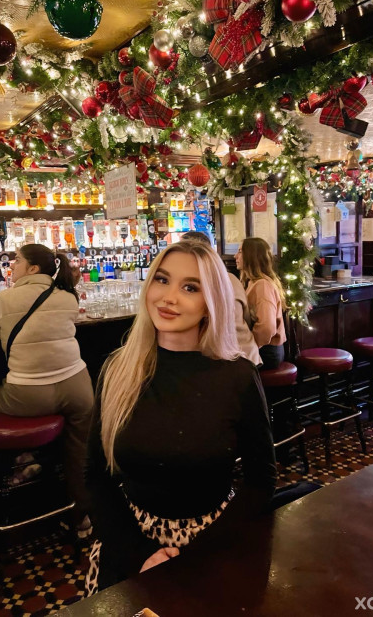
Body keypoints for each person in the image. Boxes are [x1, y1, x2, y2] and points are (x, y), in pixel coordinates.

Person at [85, 240, 276, 594]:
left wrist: (197, 555)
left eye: (190, 287)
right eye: (162, 280)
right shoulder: (117, 369)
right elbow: (96, 476)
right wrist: (139, 554)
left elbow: (261, 481)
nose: (168, 297)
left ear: (210, 302)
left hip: (215, 541)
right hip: (130, 542)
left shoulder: (237, 376)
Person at [0, 244, 94, 537]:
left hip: (28, 394)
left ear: (33, 269)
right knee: (79, 453)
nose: (11, 264)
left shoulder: (5, 298)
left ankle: (23, 461)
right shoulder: (68, 296)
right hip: (79, 387)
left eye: (17, 260)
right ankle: (81, 518)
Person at [181, 231, 261, 365]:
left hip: (227, 359)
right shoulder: (231, 278)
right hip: (247, 354)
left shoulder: (197, 283)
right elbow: (246, 318)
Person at [236, 237, 286, 369]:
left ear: (252, 256)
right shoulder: (252, 282)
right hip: (265, 348)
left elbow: (267, 328)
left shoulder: (262, 285)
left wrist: (250, 347)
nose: (235, 256)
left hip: (267, 352)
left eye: (240, 251)